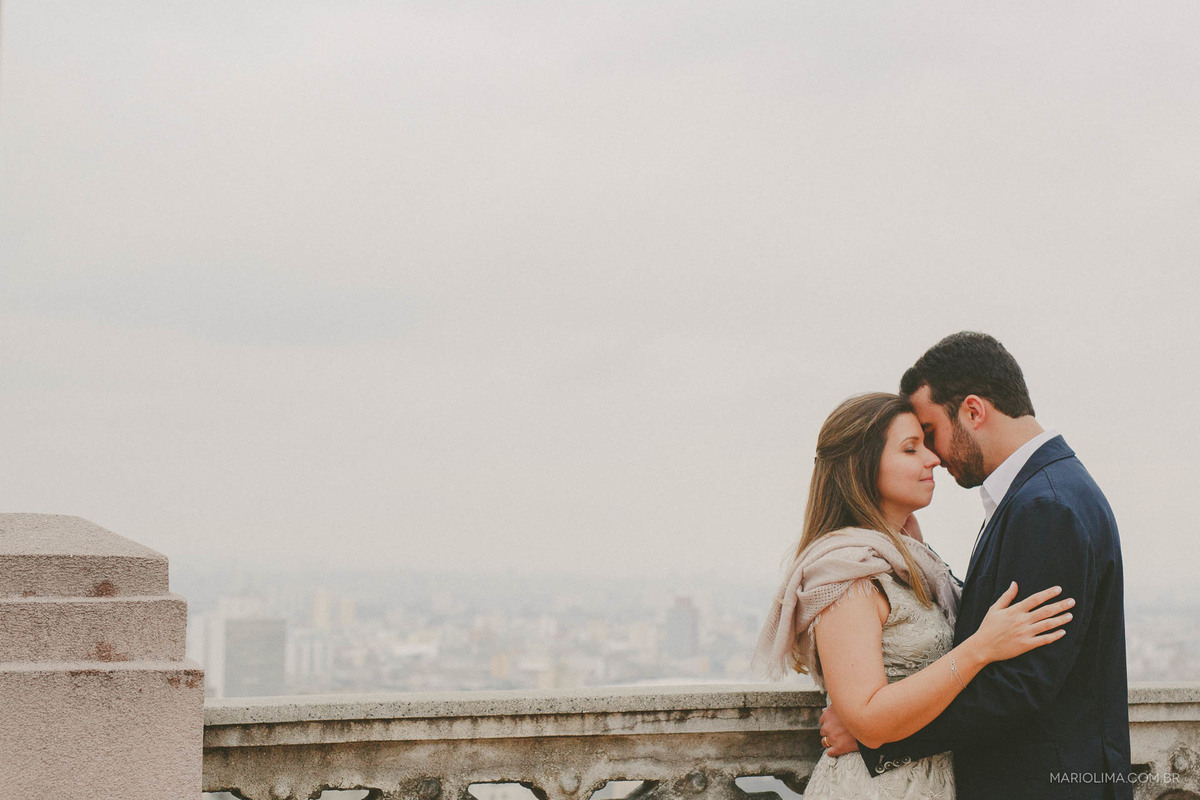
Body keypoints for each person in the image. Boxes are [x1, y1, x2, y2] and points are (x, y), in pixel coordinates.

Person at [819, 332, 1131, 800]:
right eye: (914, 446)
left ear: (972, 411)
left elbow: (1018, 685)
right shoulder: (1045, 491)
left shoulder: (1045, 505)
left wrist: (875, 737)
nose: (933, 456)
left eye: (929, 433)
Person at [753, 391, 1074, 799]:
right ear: (862, 467)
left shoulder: (912, 559)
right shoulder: (847, 571)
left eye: (926, 444)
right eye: (911, 448)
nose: (933, 458)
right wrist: (980, 648)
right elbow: (868, 719)